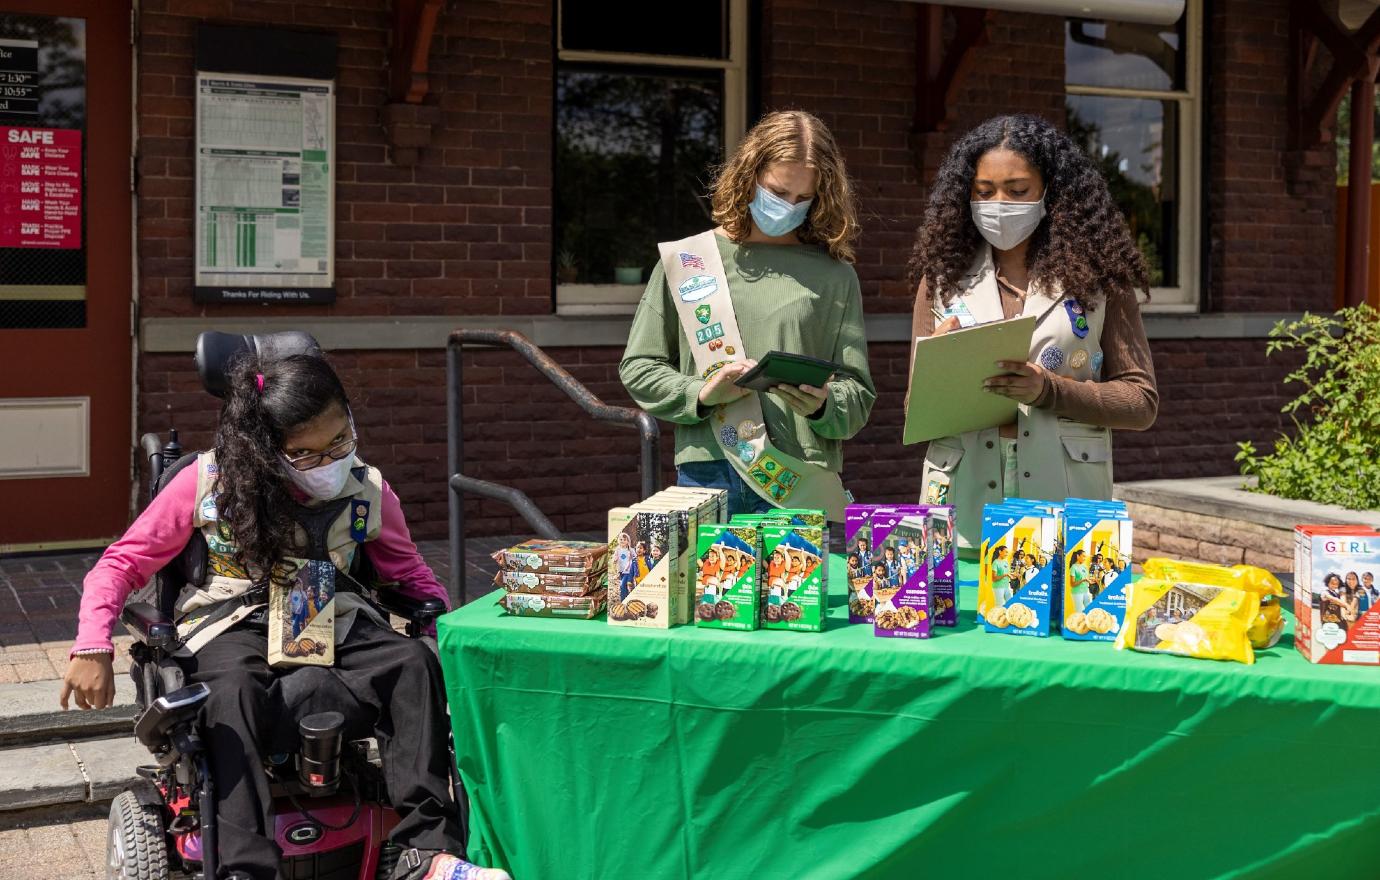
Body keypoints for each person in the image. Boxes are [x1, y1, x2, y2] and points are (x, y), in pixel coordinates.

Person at [58, 353, 508, 880]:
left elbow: (409, 575)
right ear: (262, 448)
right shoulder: (206, 484)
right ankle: (245, 868)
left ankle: (428, 852)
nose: (329, 462)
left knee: (412, 663)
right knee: (229, 694)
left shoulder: (366, 489)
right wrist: (92, 644)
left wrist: (447, 633)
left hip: (330, 613)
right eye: (305, 454)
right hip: (230, 621)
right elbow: (122, 563)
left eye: (339, 441)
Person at [905, 114, 1159, 552]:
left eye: (1017, 190)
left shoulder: (1101, 283)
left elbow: (1141, 402)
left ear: (1051, 192)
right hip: (962, 501)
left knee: (1062, 615)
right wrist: (942, 367)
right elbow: (915, 410)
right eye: (983, 192)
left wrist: (1049, 391)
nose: (998, 203)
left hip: (1066, 505)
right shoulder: (942, 279)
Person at [620, 110, 876, 521]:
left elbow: (858, 396)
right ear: (748, 175)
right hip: (708, 470)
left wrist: (825, 404)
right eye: (776, 191)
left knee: (802, 591)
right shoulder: (689, 261)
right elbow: (640, 367)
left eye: (801, 198)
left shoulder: (834, 275)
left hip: (799, 475)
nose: (787, 207)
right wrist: (701, 394)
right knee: (710, 588)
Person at [1068, 549, 1093, 613]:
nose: (1085, 558)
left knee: (1089, 609)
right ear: (1078, 556)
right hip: (1077, 592)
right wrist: (1083, 580)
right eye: (1083, 556)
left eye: (1085, 556)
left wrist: (1090, 580)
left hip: (1085, 591)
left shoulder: (1084, 566)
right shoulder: (1073, 567)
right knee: (1079, 611)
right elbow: (1072, 584)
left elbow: (1086, 578)